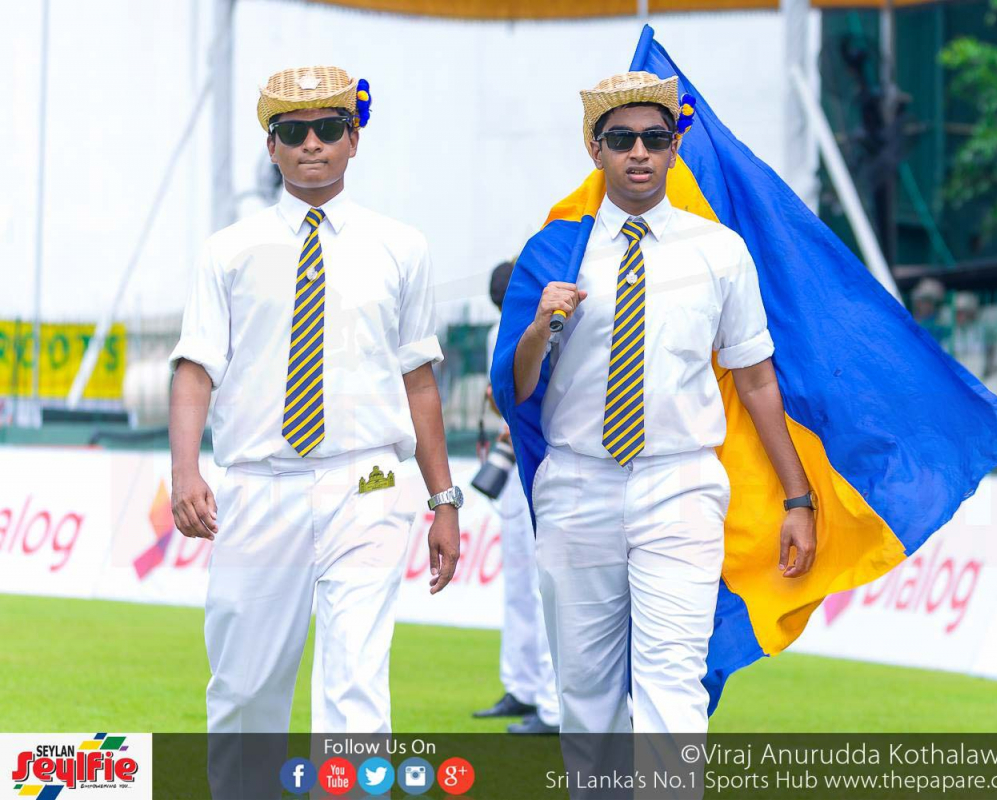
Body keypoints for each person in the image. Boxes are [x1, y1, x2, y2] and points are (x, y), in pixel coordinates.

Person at [168, 66, 462, 764]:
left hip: (368, 484)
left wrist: (443, 499)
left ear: (353, 140)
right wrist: (184, 471)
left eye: (328, 128)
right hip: (257, 485)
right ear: (271, 145)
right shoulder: (227, 251)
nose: (312, 144)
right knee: (244, 689)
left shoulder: (401, 246)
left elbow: (418, 379)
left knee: (356, 684)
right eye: (293, 131)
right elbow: (194, 368)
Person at [507, 71, 816, 734]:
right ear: (596, 150)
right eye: (621, 139)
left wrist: (798, 498)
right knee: (584, 693)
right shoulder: (556, 250)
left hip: (681, 483)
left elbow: (756, 380)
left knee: (672, 680)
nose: (639, 152)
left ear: (676, 147)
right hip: (577, 483)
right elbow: (518, 387)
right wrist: (538, 329)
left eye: (655, 136)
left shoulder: (719, 250)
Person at [474, 260, 561, 734]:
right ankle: (522, 686)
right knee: (519, 586)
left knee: (546, 585)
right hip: (515, 463)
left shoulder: (548, 325)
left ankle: (550, 702)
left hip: (547, 459)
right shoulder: (498, 332)